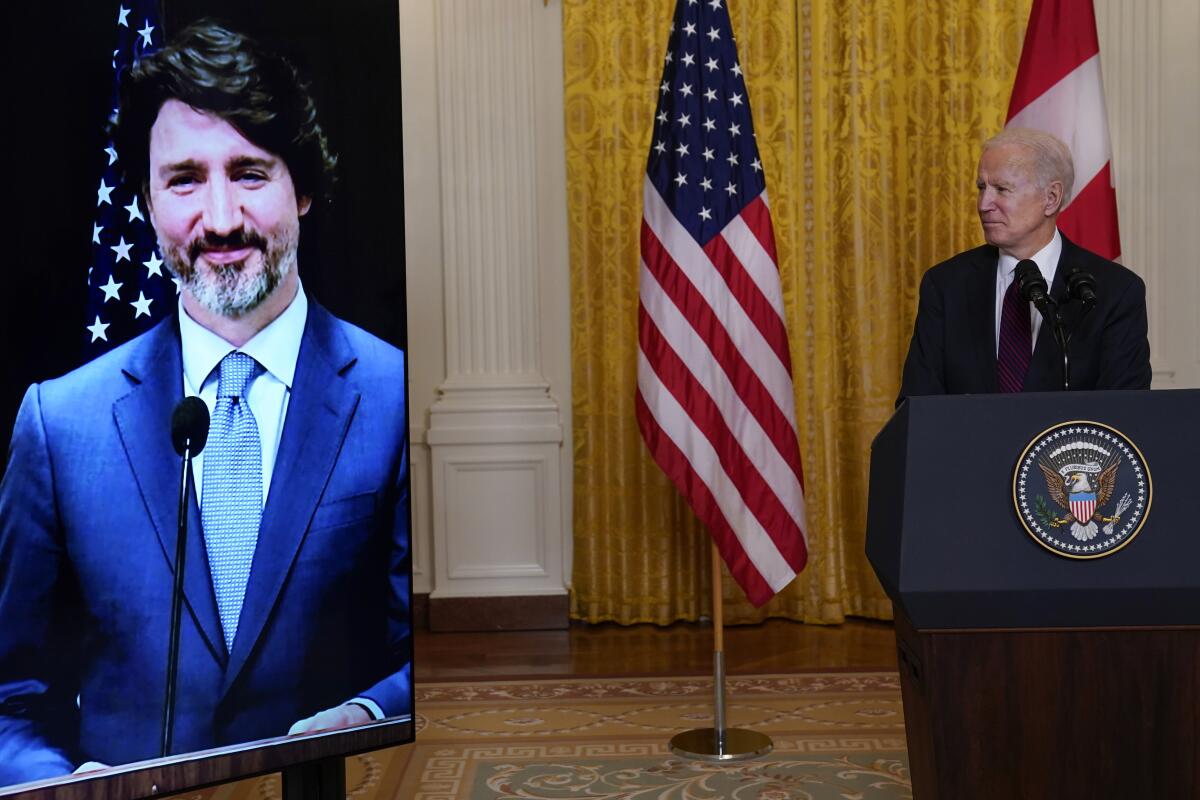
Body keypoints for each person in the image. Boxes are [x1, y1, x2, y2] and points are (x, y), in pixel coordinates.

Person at [0, 21, 411, 782]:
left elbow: (426, 656)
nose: (220, 220)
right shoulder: (59, 424)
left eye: (250, 173)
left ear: (305, 187)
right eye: (185, 180)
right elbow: (9, 700)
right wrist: (63, 787)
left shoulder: (393, 397)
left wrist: (370, 713)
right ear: (149, 204)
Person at [898, 128, 1151, 402]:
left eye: (1002, 189)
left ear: (1051, 198)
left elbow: (1126, 414)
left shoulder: (1114, 291)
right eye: (981, 187)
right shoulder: (946, 285)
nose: (984, 204)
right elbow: (917, 408)